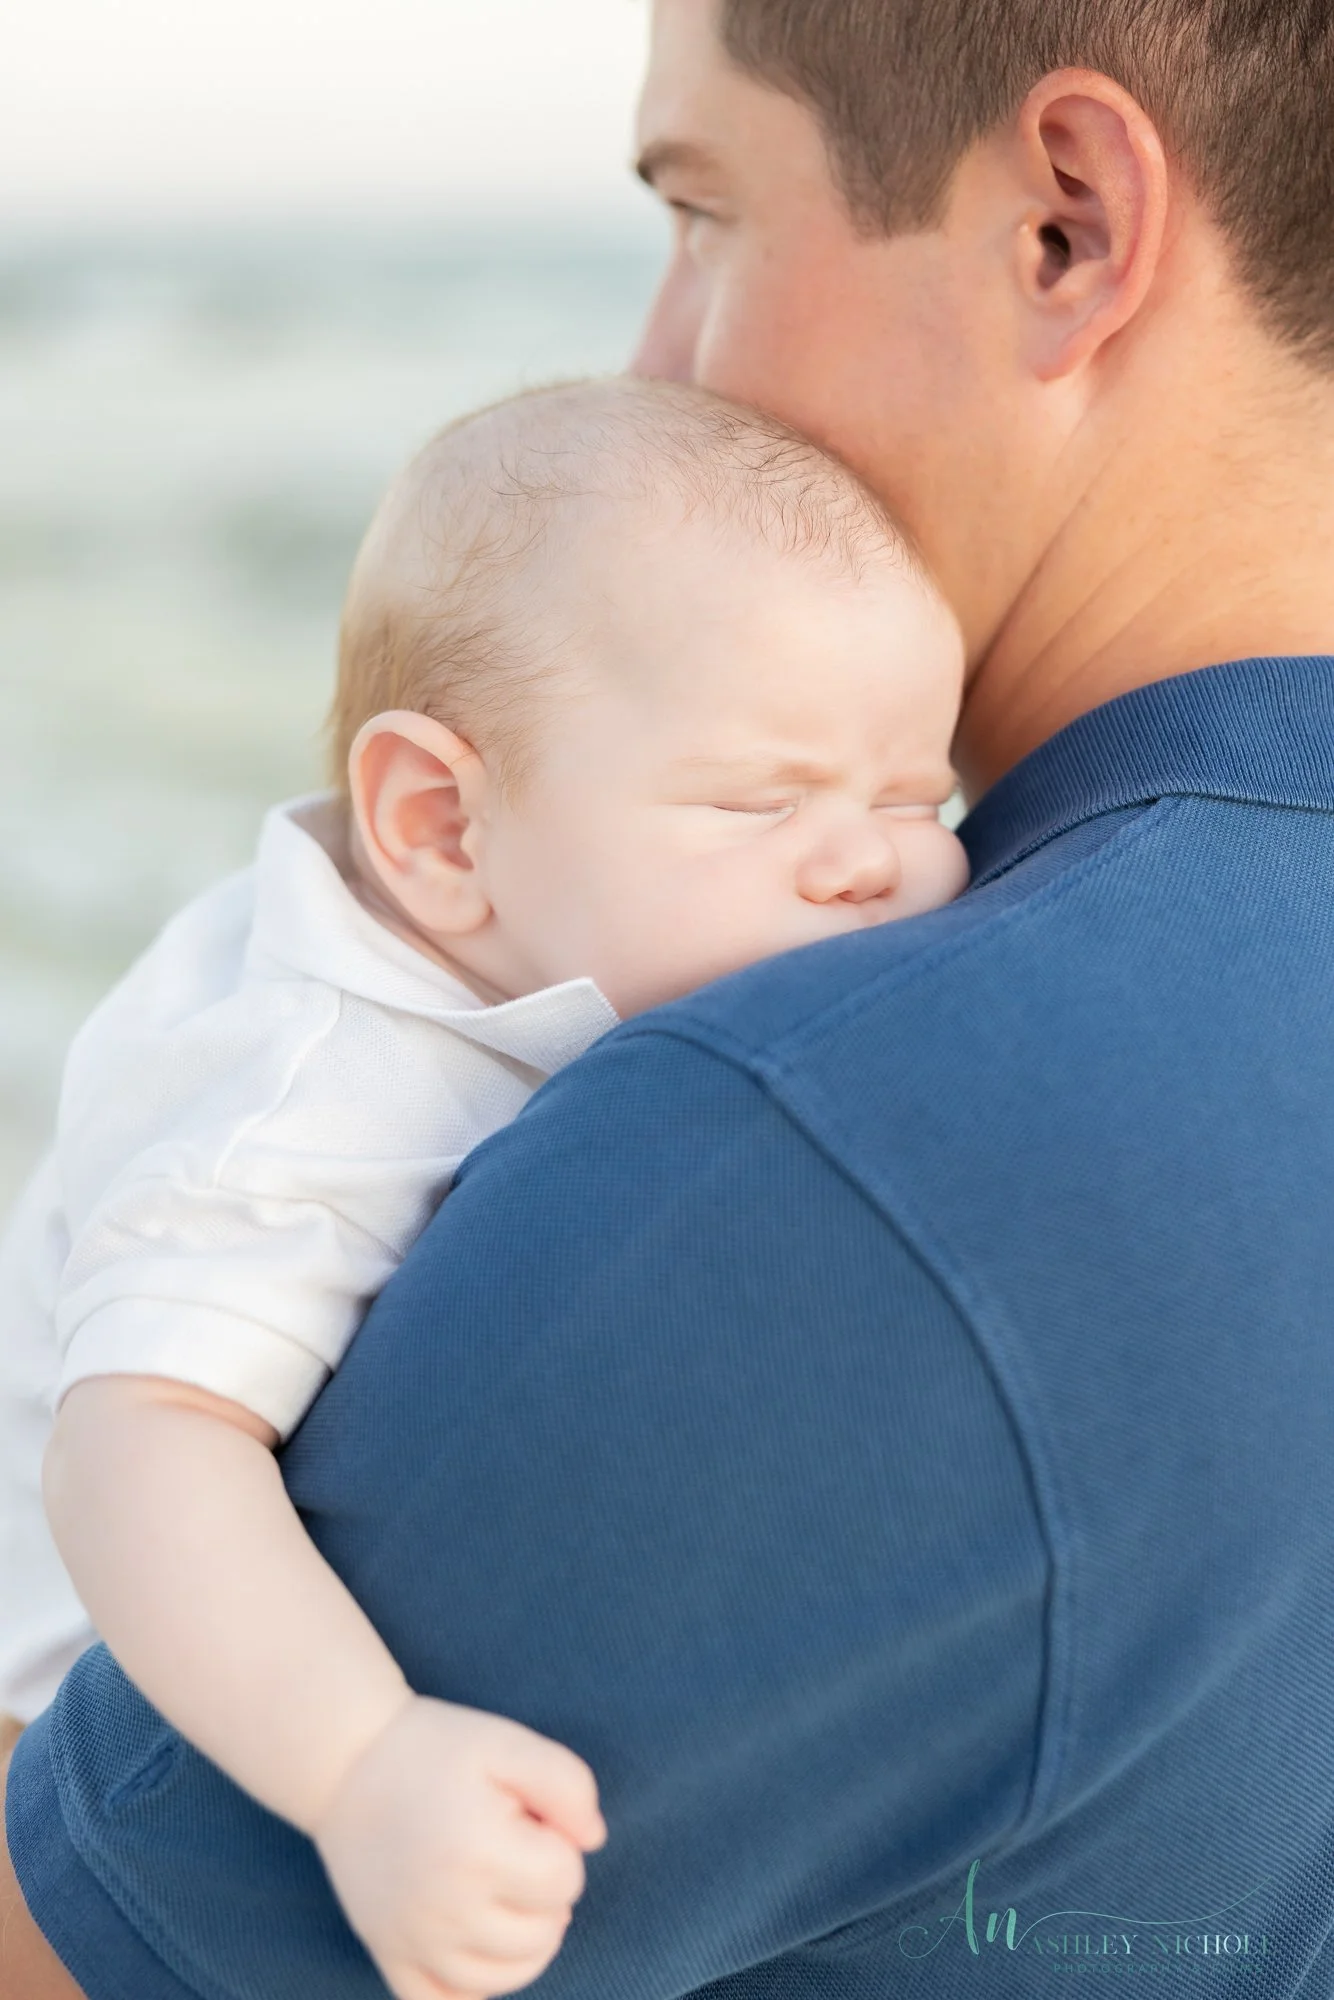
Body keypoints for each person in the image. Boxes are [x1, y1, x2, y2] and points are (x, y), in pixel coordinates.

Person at [7, 0, 1334, 1992]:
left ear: (1063, 225)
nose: (653, 353)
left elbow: (70, 1939)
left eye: (703, 212)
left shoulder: (819, 1130)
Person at [0, 380, 966, 2000]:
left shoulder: (532, 928)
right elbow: (134, 1452)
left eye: (913, 798)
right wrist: (361, 1764)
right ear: (440, 824)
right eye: (758, 800)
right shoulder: (307, 1089)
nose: (873, 862)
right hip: (96, 1728)